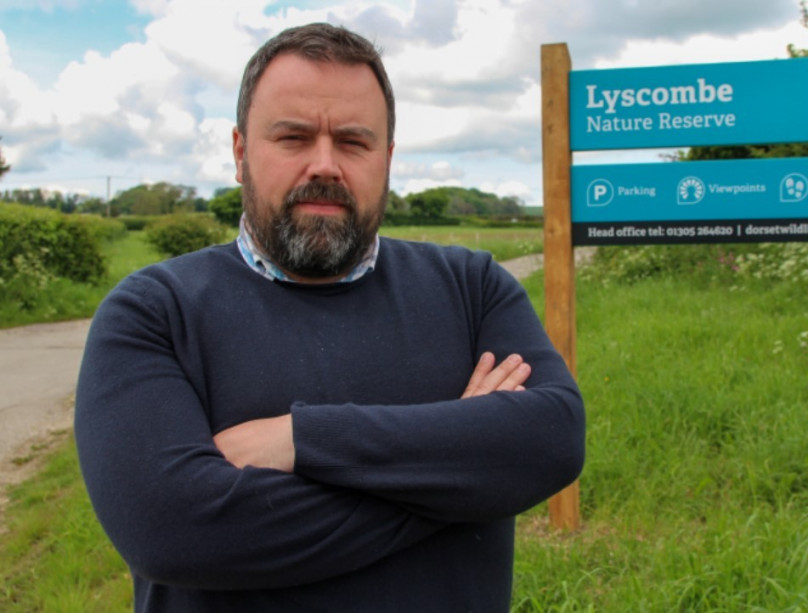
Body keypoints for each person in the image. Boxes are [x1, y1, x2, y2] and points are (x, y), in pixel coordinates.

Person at [74, 22, 585, 613]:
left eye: (352, 141)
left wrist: (300, 439)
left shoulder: (471, 287)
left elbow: (550, 438)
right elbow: (174, 532)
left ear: (387, 157)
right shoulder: (153, 312)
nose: (325, 164)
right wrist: (461, 472)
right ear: (241, 153)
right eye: (292, 137)